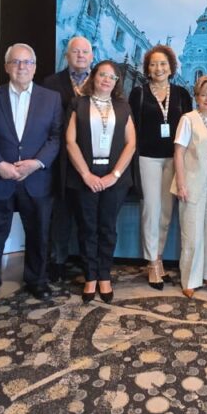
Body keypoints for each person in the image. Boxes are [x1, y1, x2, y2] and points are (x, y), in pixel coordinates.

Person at [0, 43, 62, 313]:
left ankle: (37, 281)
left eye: (27, 62)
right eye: (16, 62)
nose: (22, 67)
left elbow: (56, 137)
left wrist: (37, 163)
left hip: (37, 180)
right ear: (7, 67)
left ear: (35, 67)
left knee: (39, 234)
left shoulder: (51, 98)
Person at [64, 60, 136, 303]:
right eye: (102, 75)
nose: (107, 79)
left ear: (117, 82)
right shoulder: (79, 103)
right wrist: (86, 174)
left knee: (107, 227)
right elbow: (70, 141)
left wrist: (113, 175)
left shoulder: (123, 106)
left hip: (115, 176)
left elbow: (131, 143)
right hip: (84, 174)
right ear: (94, 77)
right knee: (87, 227)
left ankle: (104, 275)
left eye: (112, 77)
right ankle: (90, 276)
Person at [129, 44, 193, 289]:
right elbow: (131, 128)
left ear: (171, 67)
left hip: (174, 159)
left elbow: (188, 128)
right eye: (154, 64)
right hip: (147, 158)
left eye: (163, 64)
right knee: (151, 209)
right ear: (148, 68)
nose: (158, 68)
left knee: (166, 212)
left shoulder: (182, 94)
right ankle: (152, 262)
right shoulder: (139, 93)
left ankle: (159, 257)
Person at [171, 76, 207, 297]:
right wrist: (181, 183)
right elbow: (179, 152)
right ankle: (189, 279)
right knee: (192, 230)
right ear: (196, 96)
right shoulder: (188, 119)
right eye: (204, 95)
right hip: (193, 179)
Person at [42, 36, 93, 285]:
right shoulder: (51, 83)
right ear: (67, 55)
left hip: (92, 161)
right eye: (75, 51)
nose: (80, 55)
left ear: (92, 56)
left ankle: (88, 263)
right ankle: (57, 262)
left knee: (88, 216)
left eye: (85, 51)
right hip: (60, 159)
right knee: (60, 215)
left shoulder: (100, 82)